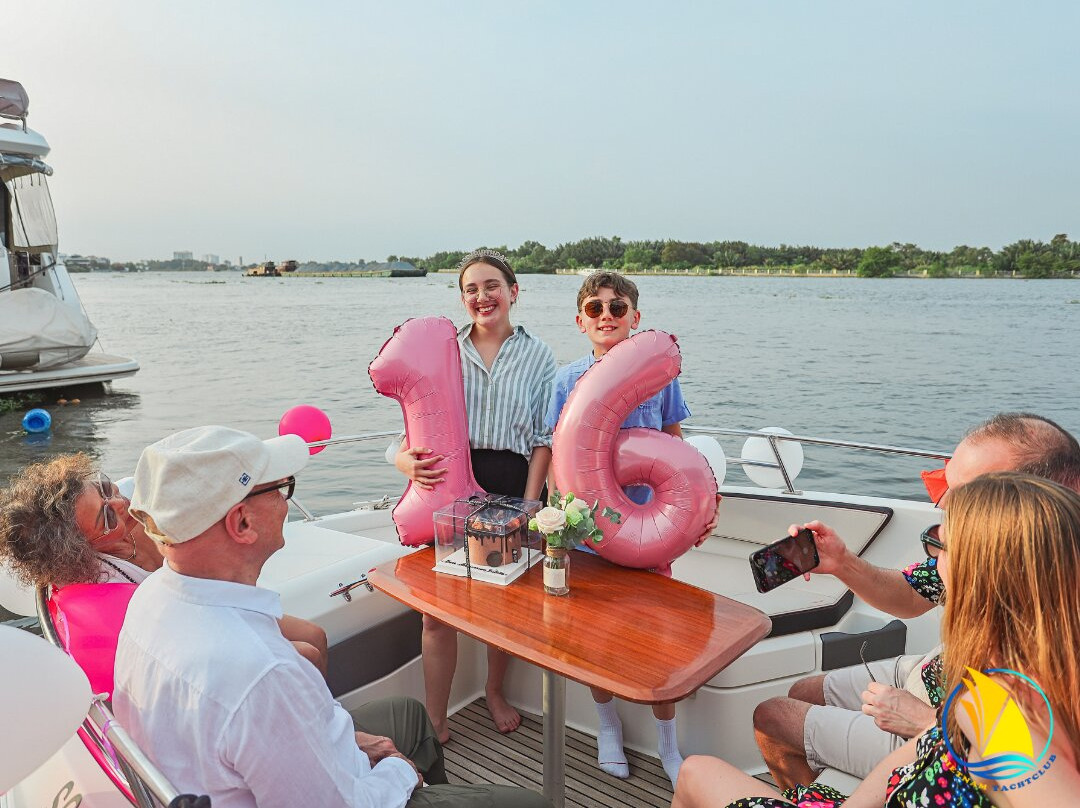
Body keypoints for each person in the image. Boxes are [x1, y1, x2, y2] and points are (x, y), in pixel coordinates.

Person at [113, 425, 550, 808]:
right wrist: (399, 773)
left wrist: (345, 743)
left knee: (407, 715)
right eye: (281, 489)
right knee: (531, 804)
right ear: (241, 523)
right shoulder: (260, 675)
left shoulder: (150, 597)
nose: (286, 504)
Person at [672, 471, 1080, 808]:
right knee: (796, 696)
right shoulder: (1012, 679)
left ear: (981, 573)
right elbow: (920, 753)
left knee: (696, 773)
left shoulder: (998, 709)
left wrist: (931, 720)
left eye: (942, 544)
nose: (934, 560)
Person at [753, 413, 1080, 788]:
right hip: (936, 674)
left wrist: (926, 724)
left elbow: (1037, 757)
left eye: (968, 498)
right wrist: (843, 563)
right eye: (948, 493)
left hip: (949, 733)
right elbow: (911, 595)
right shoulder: (984, 549)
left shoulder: (1057, 616)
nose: (946, 513)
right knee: (802, 692)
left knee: (772, 718)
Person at [544, 270, 717, 787]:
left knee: (661, 637)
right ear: (580, 321)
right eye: (594, 309)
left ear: (635, 319)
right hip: (587, 530)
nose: (606, 316)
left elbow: (679, 448)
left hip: (652, 527)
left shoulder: (660, 378)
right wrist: (550, 519)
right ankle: (607, 725)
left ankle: (667, 741)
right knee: (597, 635)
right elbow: (555, 455)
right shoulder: (565, 380)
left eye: (616, 308)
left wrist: (698, 514)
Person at [395, 248, 556, 743]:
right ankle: (437, 716)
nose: (482, 297)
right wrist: (401, 460)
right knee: (436, 616)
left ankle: (493, 690)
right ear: (462, 298)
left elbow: (543, 439)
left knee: (501, 604)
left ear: (513, 292)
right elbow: (414, 420)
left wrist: (531, 505)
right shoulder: (443, 350)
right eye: (471, 289)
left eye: (492, 286)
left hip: (512, 484)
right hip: (449, 483)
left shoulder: (539, 354)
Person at [0, 452, 328, 674]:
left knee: (315, 634)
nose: (120, 501)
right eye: (106, 515)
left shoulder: (133, 519)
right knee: (308, 652)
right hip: (197, 624)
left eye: (102, 487)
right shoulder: (113, 593)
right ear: (82, 551)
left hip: (208, 603)